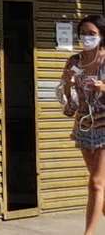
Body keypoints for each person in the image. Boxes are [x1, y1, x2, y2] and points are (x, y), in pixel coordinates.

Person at [60, 15, 105, 235]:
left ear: (102, 35)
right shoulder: (74, 62)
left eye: (92, 34)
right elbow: (69, 107)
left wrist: (103, 88)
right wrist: (67, 87)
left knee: (96, 183)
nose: (86, 38)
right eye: (83, 33)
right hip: (84, 127)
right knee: (99, 184)